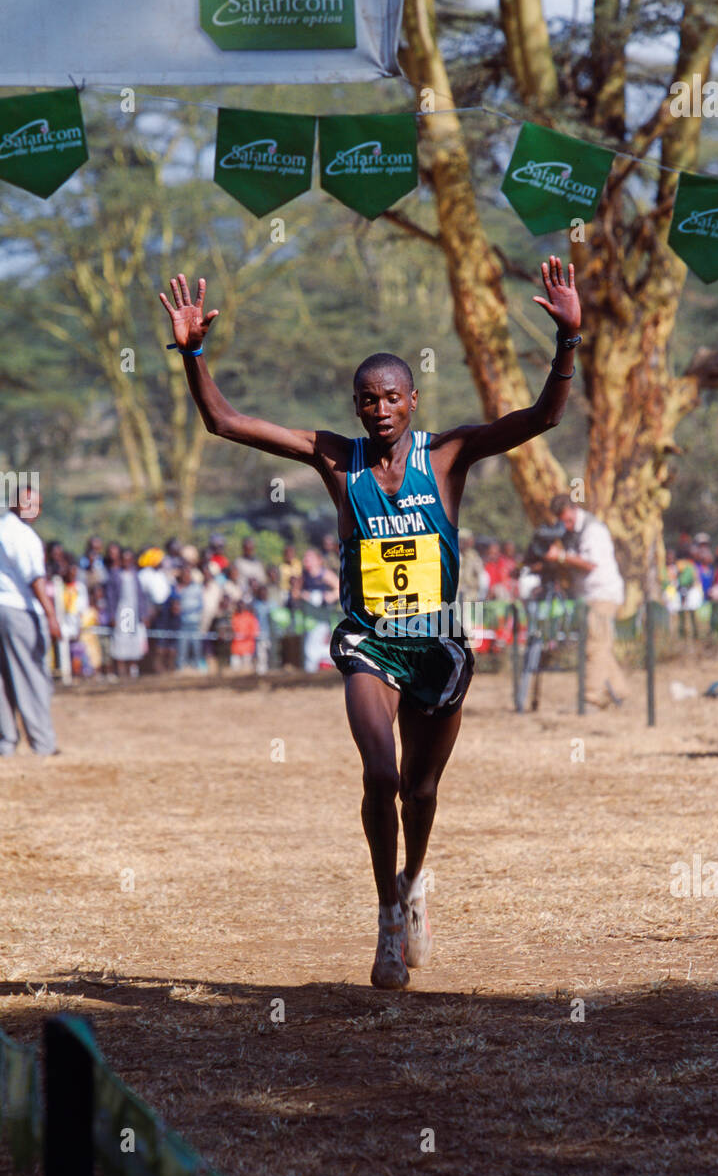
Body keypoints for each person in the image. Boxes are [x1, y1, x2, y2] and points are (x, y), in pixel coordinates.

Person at [160, 255, 582, 989]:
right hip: (369, 643)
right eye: (366, 399)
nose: (378, 409)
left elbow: (542, 417)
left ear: (412, 399)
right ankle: (387, 913)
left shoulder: (447, 456)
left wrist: (569, 341)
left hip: (439, 646)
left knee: (421, 791)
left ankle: (415, 880)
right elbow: (224, 421)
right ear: (355, 406)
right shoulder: (336, 458)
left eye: (389, 396)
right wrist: (193, 352)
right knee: (380, 774)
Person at [543, 493, 627, 709]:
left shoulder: (593, 530)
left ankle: (591, 697)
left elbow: (591, 564)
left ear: (574, 509)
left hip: (603, 594)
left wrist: (560, 556)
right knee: (601, 645)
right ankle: (619, 690)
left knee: (595, 645)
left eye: (568, 520)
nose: (567, 526)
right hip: (590, 595)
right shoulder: (572, 531)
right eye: (563, 522)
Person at [0, 481, 61, 756]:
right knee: (31, 675)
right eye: (28, 502)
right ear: (14, 503)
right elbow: (35, 579)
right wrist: (51, 617)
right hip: (18, 610)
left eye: (37, 504)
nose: (33, 509)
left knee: (2, 678)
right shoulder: (23, 535)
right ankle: (43, 743)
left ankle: (6, 742)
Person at [105, 548, 150, 677]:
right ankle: (121, 671)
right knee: (121, 640)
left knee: (133, 639)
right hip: (121, 611)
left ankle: (133, 670)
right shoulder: (115, 575)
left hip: (133, 612)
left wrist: (144, 614)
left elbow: (141, 596)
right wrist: (112, 615)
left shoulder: (135, 575)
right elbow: (111, 597)